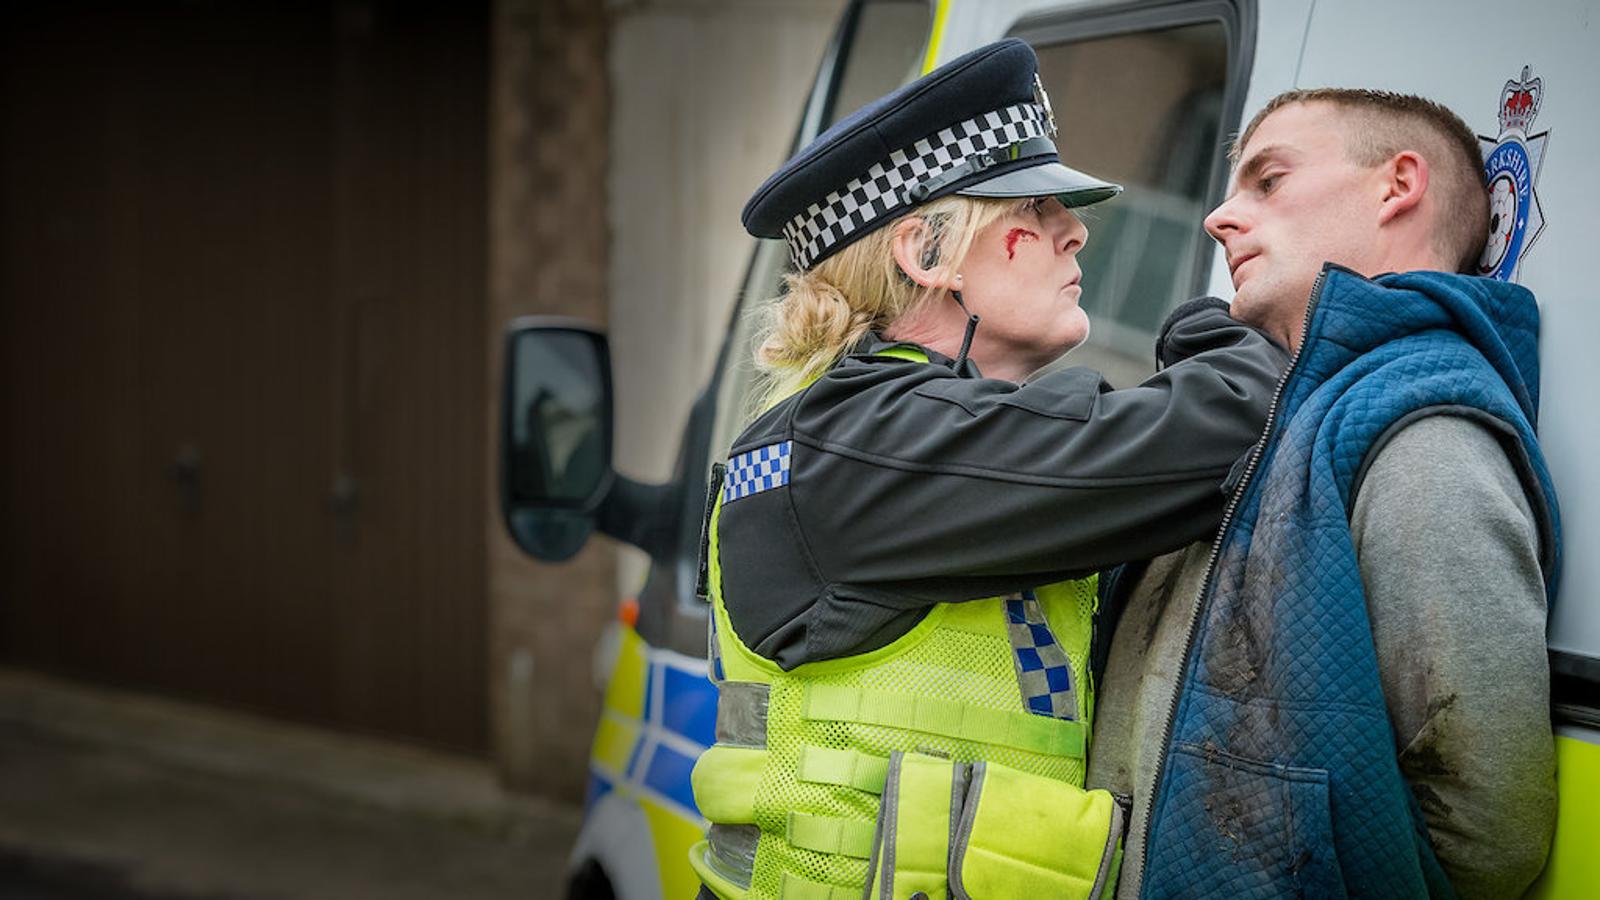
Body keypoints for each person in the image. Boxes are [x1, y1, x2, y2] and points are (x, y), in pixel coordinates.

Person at [688, 39, 1287, 900]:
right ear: (926, 251)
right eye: (1034, 210)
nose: (1074, 230)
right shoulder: (872, 444)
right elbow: (1222, 426)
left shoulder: (865, 433)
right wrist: (1240, 320)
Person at [1086, 89, 1562, 899]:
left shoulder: (1423, 438)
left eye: (1267, 180)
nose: (1218, 218)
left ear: (1397, 186)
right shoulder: (1272, 412)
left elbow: (1491, 830)